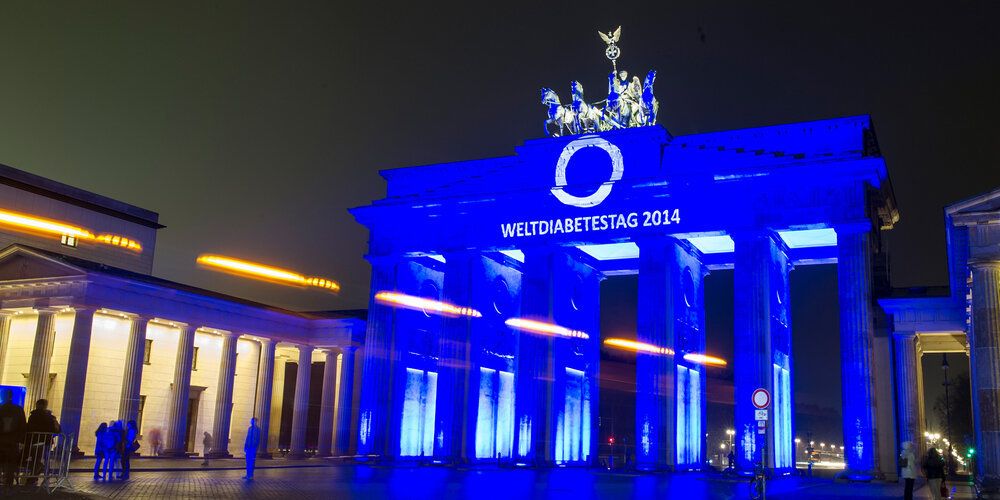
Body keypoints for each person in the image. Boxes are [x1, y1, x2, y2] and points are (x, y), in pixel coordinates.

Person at [24, 399, 60, 485]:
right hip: (45, 441)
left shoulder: (33, 416)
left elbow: (30, 428)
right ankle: (42, 476)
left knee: (36, 459)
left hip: (36, 441)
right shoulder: (50, 417)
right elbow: (56, 430)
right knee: (42, 459)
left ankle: (34, 477)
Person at [0, 389, 25, 487]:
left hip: (2, 438)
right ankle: (8, 481)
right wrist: (20, 439)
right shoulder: (18, 409)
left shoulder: (1, 409)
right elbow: (22, 426)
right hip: (13, 439)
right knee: (10, 462)